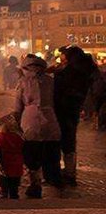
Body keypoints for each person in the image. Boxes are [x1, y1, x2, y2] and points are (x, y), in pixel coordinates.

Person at [11, 54, 62, 198]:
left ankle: (34, 184)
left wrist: (15, 123)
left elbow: (17, 107)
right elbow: (57, 101)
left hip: (30, 120)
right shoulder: (50, 81)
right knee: (51, 153)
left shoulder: (22, 82)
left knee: (31, 154)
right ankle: (53, 183)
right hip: (50, 119)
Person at [53, 46, 94, 185]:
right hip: (73, 109)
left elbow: (60, 88)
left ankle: (65, 173)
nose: (61, 57)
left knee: (62, 140)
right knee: (70, 140)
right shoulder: (83, 68)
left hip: (64, 108)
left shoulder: (70, 71)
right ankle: (70, 171)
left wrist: (57, 73)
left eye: (63, 54)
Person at [0, 114, 25, 199]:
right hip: (16, 168)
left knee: (4, 190)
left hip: (4, 167)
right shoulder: (19, 139)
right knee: (14, 190)